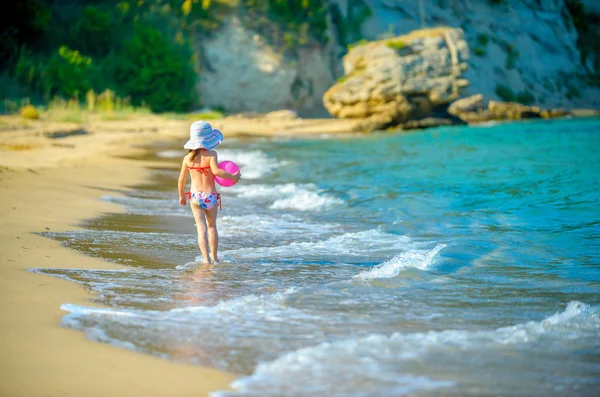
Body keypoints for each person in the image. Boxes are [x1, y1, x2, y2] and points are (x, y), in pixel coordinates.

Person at [178, 120, 240, 264]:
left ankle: (206, 259)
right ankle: (215, 257)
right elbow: (217, 171)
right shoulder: (211, 154)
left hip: (195, 197)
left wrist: (181, 195)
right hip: (210, 196)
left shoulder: (187, 159)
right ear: (208, 140)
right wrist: (233, 177)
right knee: (211, 227)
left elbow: (181, 180)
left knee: (201, 228)